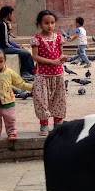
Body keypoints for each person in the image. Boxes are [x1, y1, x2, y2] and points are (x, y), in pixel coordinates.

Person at [0, 48, 32, 142]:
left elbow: (20, 83)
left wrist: (31, 87)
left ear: (5, 60)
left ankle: (12, 132)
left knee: (10, 119)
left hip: (9, 102)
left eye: (1, 61)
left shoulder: (9, 72)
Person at [30, 9, 68, 137]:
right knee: (42, 100)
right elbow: (35, 57)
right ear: (40, 24)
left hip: (57, 74)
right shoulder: (37, 39)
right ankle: (44, 124)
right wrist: (51, 62)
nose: (50, 25)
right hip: (42, 75)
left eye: (52, 22)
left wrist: (62, 57)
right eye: (46, 23)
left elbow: (61, 52)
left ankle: (58, 124)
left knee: (59, 99)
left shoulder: (58, 38)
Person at [0, 5, 34, 80]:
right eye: (12, 14)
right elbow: (6, 43)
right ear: (9, 14)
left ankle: (27, 71)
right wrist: (15, 47)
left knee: (22, 51)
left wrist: (17, 46)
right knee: (26, 53)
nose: (12, 16)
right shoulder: (2, 24)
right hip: (0, 49)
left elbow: (7, 40)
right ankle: (28, 72)